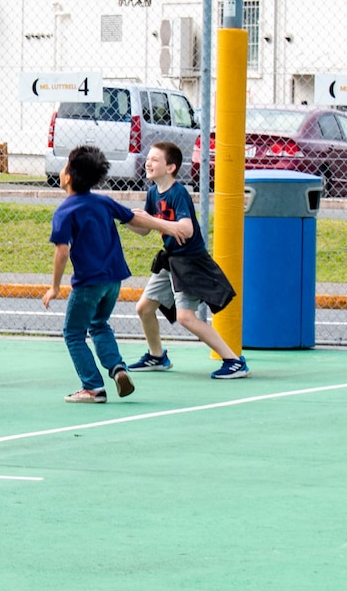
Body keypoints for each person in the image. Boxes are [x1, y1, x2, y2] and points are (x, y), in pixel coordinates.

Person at [128, 141, 249, 379]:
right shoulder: (153, 192)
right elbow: (145, 230)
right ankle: (157, 356)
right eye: (148, 158)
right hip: (170, 261)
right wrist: (126, 218)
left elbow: (186, 229)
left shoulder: (178, 193)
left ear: (170, 167)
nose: (148, 163)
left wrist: (151, 221)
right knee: (144, 308)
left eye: (155, 159)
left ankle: (234, 361)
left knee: (186, 317)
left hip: (190, 262)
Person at [42, 145, 136, 404]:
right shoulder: (104, 202)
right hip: (113, 280)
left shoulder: (65, 210)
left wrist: (55, 287)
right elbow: (132, 218)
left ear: (68, 177)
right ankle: (117, 369)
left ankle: (93, 387)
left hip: (88, 284)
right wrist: (166, 226)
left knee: (73, 332)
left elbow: (62, 252)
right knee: (98, 324)